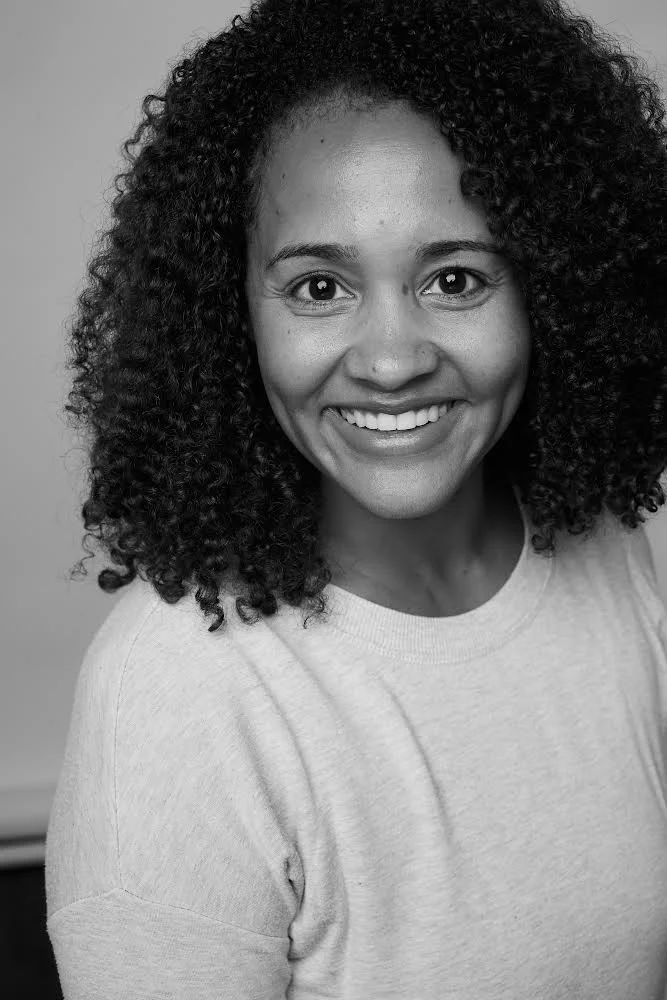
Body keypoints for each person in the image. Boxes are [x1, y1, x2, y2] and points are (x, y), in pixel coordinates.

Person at [45, 0, 667, 996]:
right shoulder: (179, 694)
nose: (390, 361)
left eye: (457, 278)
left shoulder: (607, 549)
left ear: (554, 290)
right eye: (318, 289)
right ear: (227, 314)